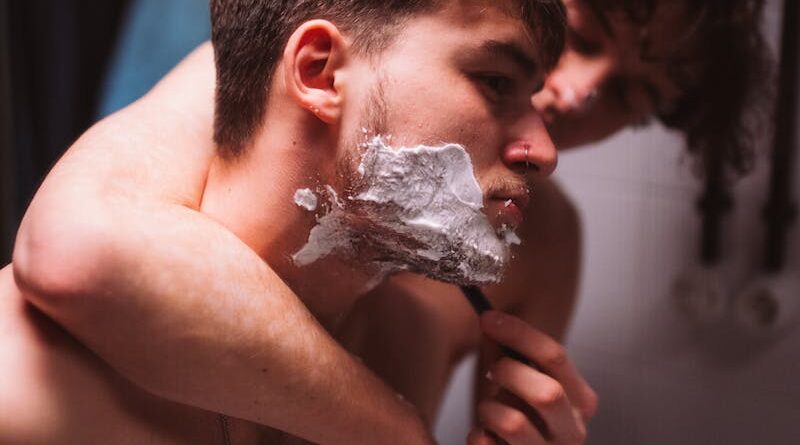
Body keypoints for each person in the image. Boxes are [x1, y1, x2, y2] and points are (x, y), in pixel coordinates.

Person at [2, 1, 600, 444]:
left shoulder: (410, 340)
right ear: (319, 72)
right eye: (495, 82)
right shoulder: (25, 387)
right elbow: (81, 251)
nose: (544, 151)